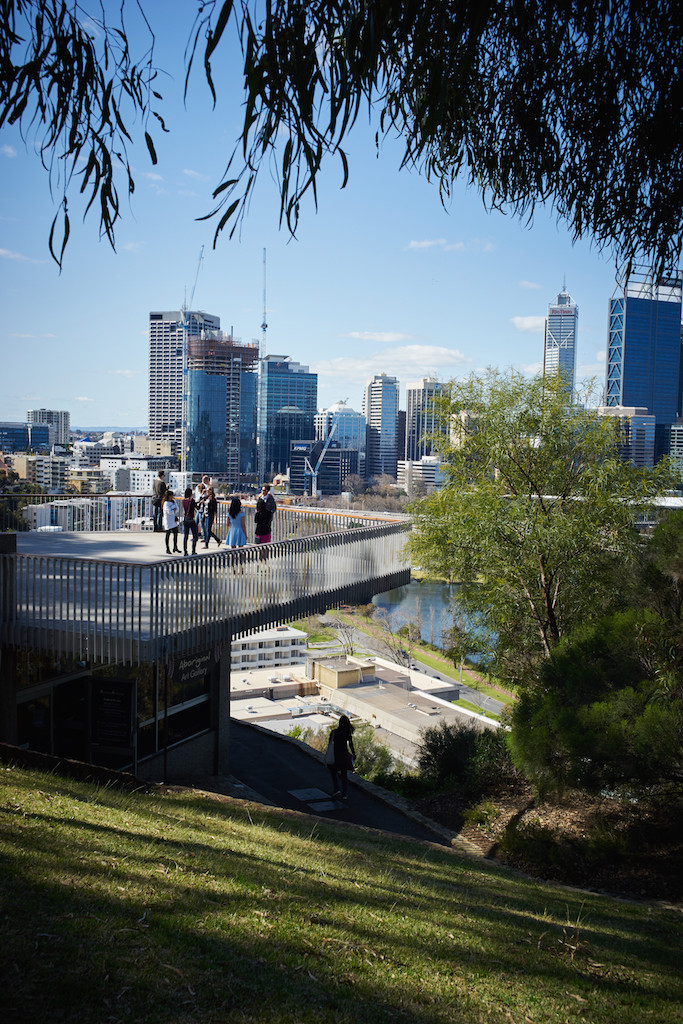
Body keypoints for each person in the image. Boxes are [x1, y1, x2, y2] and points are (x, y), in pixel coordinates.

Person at [327, 714, 356, 800]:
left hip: (336, 754)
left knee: (333, 772)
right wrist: (354, 753)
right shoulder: (347, 733)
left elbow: (329, 743)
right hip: (344, 754)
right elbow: (351, 744)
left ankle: (336, 789)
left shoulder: (334, 732)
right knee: (344, 775)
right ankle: (344, 794)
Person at [181, 487, 199, 556]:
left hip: (185, 519)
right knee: (195, 536)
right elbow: (197, 508)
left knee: (186, 536)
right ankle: (193, 550)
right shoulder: (192, 500)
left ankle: (185, 551)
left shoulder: (183, 501)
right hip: (191, 519)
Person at [161, 489, 180, 554]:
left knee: (175, 533)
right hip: (168, 521)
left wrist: (174, 510)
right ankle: (167, 548)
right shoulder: (166, 503)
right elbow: (169, 512)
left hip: (173, 520)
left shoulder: (173, 502)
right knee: (168, 534)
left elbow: (177, 509)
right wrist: (173, 510)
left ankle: (175, 547)